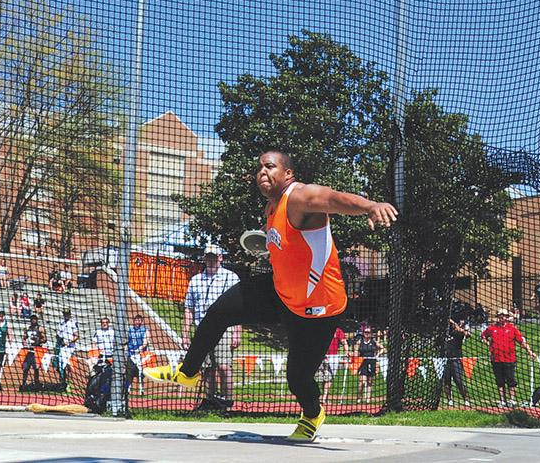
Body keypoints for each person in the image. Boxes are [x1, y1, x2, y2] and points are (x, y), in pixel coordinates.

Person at [145, 150, 397, 442]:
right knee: (219, 311)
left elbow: (332, 198)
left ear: (288, 174)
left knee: (297, 379)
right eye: (259, 168)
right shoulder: (271, 208)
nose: (262, 171)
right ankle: (188, 371)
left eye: (269, 166)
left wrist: (369, 206)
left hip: (317, 308)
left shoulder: (300, 196)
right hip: (280, 292)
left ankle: (313, 414)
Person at [182, 245, 241, 408]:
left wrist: (237, 333)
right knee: (207, 369)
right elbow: (189, 308)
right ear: (204, 259)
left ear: (221, 258)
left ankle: (228, 403)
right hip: (202, 328)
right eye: (208, 257)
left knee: (223, 366)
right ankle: (211, 401)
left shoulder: (231, 278)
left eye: (215, 257)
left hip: (223, 326)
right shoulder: (195, 280)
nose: (211, 260)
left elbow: (238, 308)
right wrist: (185, 334)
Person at [481, 308, 537, 408]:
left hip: (509, 358)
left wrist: (530, 351)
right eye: (500, 315)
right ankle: (502, 400)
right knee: (500, 380)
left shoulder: (512, 328)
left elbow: (521, 341)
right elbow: (483, 336)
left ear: (507, 317)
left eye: (504, 316)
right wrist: (488, 344)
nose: (502, 317)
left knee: (511, 380)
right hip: (496, 358)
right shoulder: (492, 328)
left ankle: (512, 400)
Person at [441, 316, 472, 407]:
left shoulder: (457, 334)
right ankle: (449, 400)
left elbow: (467, 334)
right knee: (446, 382)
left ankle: (466, 399)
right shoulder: (443, 335)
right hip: (446, 360)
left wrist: (456, 325)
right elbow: (437, 344)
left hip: (456, 360)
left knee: (458, 381)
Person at [316, 326, 349, 405]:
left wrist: (347, 351)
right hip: (321, 357)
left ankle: (324, 398)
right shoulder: (321, 329)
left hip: (332, 358)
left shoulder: (338, 331)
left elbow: (344, 342)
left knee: (328, 378)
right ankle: (320, 397)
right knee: (321, 378)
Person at [354, 324, 385, 404]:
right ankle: (359, 397)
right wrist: (354, 355)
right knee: (363, 381)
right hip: (363, 363)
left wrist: (378, 355)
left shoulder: (373, 342)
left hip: (371, 362)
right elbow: (356, 352)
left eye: (368, 332)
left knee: (370, 381)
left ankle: (368, 399)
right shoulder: (359, 342)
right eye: (365, 332)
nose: (367, 334)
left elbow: (383, 348)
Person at [125, 314, 151, 395]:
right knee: (129, 373)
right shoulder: (130, 330)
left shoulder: (145, 330)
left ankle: (141, 390)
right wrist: (125, 352)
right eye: (136, 320)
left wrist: (140, 348)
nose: (138, 321)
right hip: (131, 354)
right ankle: (127, 389)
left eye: (139, 320)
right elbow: (127, 341)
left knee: (141, 374)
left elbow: (146, 342)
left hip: (141, 355)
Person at [55, 307, 80, 387]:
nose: (66, 315)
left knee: (69, 366)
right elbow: (58, 335)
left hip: (70, 348)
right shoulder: (61, 324)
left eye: (67, 314)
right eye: (65, 314)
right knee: (61, 366)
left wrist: (68, 342)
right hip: (62, 348)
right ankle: (62, 382)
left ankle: (69, 384)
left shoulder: (73, 323)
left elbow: (77, 336)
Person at [21, 314, 46, 389]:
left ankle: (36, 383)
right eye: (32, 319)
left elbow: (45, 339)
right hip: (28, 350)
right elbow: (24, 338)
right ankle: (24, 383)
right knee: (25, 368)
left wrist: (38, 339)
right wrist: (24, 342)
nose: (33, 321)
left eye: (35, 319)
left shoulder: (40, 329)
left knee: (36, 368)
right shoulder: (27, 329)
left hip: (37, 350)